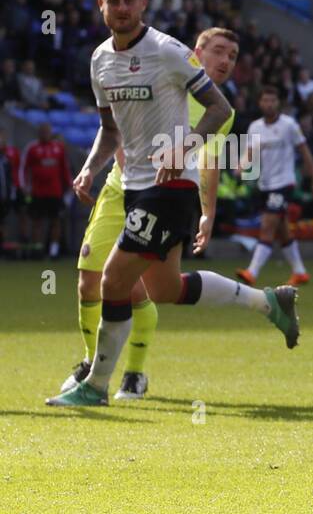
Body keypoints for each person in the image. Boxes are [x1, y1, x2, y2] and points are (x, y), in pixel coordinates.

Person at [46, 0, 299, 409]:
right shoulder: (100, 60)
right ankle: (268, 303)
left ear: (144, 4)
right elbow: (110, 130)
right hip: (131, 187)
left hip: (169, 187)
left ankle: (96, 383)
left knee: (113, 279)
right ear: (100, 5)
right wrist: (89, 169)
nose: (122, 8)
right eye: (113, 1)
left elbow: (218, 110)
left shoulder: (167, 51)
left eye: (130, 0)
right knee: (162, 289)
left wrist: (184, 149)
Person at [60, 25, 240, 400]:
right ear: (197, 52)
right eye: (219, 51)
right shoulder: (163, 70)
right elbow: (117, 128)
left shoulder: (218, 107)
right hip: (117, 187)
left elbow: (209, 160)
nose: (225, 61)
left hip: (161, 194)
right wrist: (95, 169)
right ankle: (92, 363)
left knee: (135, 284)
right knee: (90, 279)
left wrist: (208, 212)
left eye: (232, 56)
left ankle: (131, 373)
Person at [235, 85, 313, 287]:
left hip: (283, 183)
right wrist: (240, 167)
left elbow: (305, 152)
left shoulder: (289, 125)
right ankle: (300, 272)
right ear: (259, 103)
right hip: (265, 184)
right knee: (282, 229)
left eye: (272, 101)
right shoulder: (255, 127)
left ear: (278, 104)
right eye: (265, 100)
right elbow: (250, 153)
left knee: (267, 224)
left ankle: (252, 272)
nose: (269, 104)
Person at [19, 122, 71, 258]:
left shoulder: (58, 148)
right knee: (37, 222)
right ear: (39, 133)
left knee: (56, 221)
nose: (45, 134)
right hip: (37, 192)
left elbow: (65, 170)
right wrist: (24, 187)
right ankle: (37, 250)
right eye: (42, 131)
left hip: (55, 192)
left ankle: (54, 251)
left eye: (47, 131)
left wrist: (69, 186)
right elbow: (23, 168)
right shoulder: (32, 148)